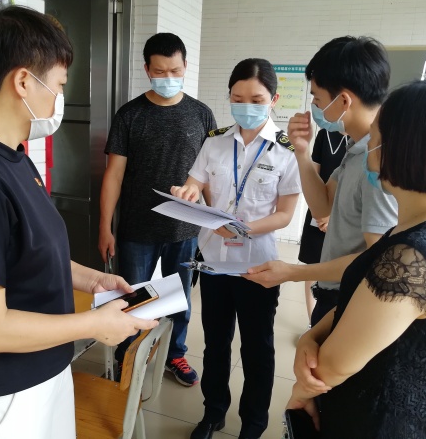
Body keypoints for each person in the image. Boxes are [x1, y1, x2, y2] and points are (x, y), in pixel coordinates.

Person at [0, 4, 156, 439]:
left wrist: (92, 280)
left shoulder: (13, 159)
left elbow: (27, 254)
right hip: (3, 400)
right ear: (23, 81)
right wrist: (95, 324)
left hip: (44, 372)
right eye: (59, 84)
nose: (59, 98)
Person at [286, 79, 426, 438]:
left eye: (375, 138)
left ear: (404, 150)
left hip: (376, 422)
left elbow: (331, 367)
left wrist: (300, 392)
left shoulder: (412, 259)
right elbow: (363, 304)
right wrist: (311, 335)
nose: (369, 148)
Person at [171, 58, 301, 439]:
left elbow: (285, 214)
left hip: (258, 267)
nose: (246, 106)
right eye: (238, 98)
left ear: (273, 99)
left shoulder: (286, 150)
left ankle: (253, 424)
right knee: (215, 345)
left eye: (256, 99)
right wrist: (186, 192)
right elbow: (194, 182)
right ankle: (213, 413)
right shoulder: (214, 141)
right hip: (214, 261)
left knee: (257, 350)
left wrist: (245, 229)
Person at [245, 37, 398, 327]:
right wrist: (301, 153)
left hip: (354, 299)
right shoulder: (357, 148)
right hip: (337, 292)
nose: (313, 107)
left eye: (317, 99)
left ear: (344, 101)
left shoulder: (377, 162)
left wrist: (293, 272)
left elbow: (377, 259)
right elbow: (322, 207)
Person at [99, 32, 217, 387]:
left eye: (175, 71)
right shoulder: (130, 114)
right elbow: (113, 175)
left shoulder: (201, 114)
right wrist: (104, 227)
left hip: (185, 230)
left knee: (180, 298)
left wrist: (216, 220)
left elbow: (209, 174)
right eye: (161, 71)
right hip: (137, 228)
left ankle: (174, 354)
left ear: (185, 66)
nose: (169, 78)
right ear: (147, 69)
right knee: (132, 296)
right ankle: (126, 356)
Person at [297, 129, 346, 325]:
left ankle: (333, 323)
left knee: (340, 270)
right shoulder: (325, 134)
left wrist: (332, 216)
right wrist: (320, 214)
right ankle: (312, 321)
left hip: (344, 217)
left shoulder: (364, 139)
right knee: (312, 266)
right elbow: (313, 177)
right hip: (317, 213)